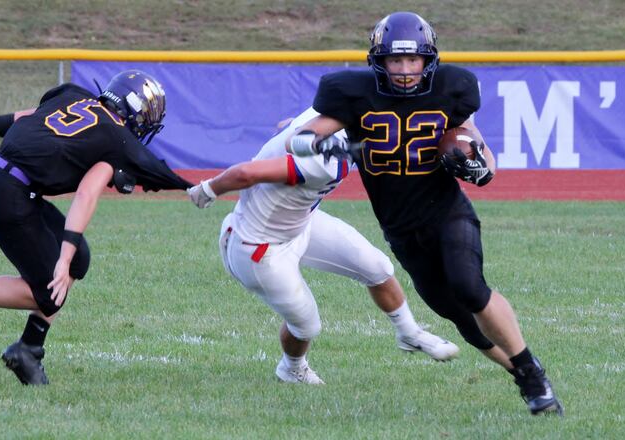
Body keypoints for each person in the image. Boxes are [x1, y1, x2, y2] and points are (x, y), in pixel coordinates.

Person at [285, 12, 563, 414]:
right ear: (378, 61)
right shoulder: (351, 93)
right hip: (400, 229)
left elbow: (483, 156)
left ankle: (532, 373)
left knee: (470, 288)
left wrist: (476, 165)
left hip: (446, 212)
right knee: (460, 319)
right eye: (395, 61)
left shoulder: (453, 89)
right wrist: (317, 145)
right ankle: (524, 376)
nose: (403, 70)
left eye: (412, 60)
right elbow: (300, 138)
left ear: (427, 60)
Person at [0, 70, 191, 385]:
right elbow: (85, 196)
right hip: (8, 195)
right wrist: (63, 257)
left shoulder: (72, 98)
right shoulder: (116, 138)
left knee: (80, 258)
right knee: (50, 293)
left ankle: (29, 349)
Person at [187, 107, 459, 385]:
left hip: (299, 221)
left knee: (377, 267)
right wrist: (209, 189)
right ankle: (292, 368)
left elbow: (288, 123)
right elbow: (246, 173)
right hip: (259, 246)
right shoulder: (326, 161)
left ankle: (409, 333)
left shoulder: (327, 117)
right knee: (307, 325)